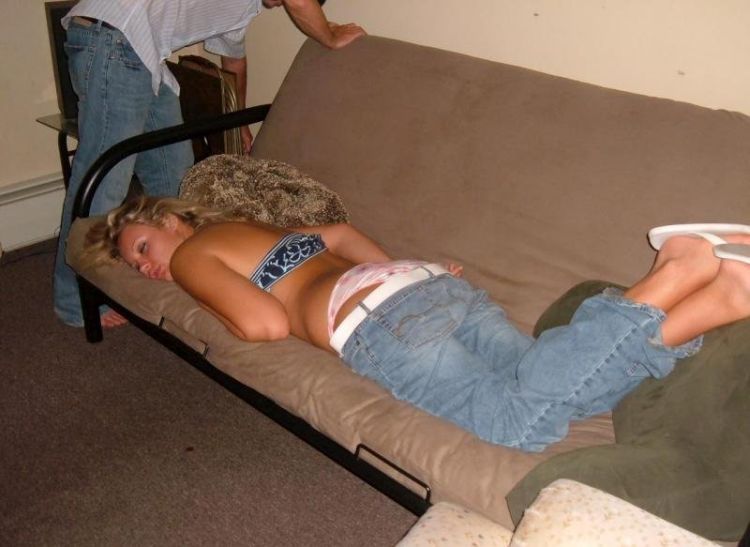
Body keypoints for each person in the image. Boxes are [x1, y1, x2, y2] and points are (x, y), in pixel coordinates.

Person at [82, 197, 750, 451]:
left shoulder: (195, 256)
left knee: (520, 425)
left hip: (375, 321)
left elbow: (260, 326)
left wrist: (204, 303)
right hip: (419, 286)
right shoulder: (253, 229)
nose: (148, 267)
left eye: (143, 247)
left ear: (172, 219)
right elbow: (340, 233)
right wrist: (401, 269)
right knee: (549, 380)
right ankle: (719, 298)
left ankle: (674, 270)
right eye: (136, 265)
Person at [54, 0, 366, 329]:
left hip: (139, 52)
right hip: (114, 38)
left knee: (175, 172)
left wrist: (238, 122)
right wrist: (328, 34)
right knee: (103, 181)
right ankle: (74, 302)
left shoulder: (241, 10)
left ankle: (186, 270)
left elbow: (235, 64)